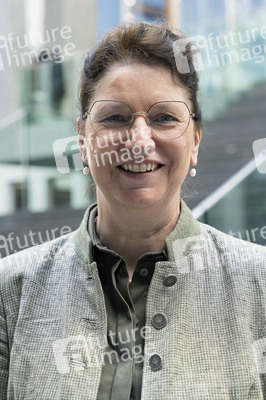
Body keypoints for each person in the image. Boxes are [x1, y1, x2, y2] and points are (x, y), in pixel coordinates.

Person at [0, 22, 266, 400]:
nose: (139, 141)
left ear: (195, 140)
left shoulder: (260, 285)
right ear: (83, 139)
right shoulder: (11, 293)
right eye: (115, 117)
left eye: (164, 118)